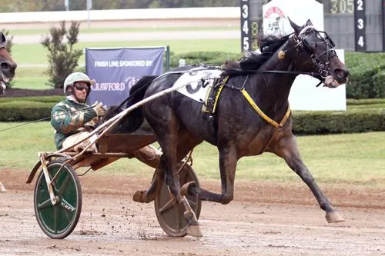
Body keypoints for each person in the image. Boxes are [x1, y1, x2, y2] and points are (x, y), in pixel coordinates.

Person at [51, 72, 106, 152]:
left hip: (90, 139)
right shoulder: (60, 107)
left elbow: (98, 128)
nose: (84, 91)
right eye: (80, 87)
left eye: (86, 88)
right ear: (70, 89)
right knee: (86, 137)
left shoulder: (89, 108)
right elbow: (63, 125)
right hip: (67, 141)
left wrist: (104, 116)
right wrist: (92, 113)